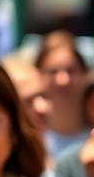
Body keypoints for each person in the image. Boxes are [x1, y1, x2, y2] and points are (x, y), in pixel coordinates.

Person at [37, 32, 90, 162]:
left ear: (85, 74)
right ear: (37, 75)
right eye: (52, 72)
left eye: (71, 70)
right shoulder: (30, 140)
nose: (62, 80)